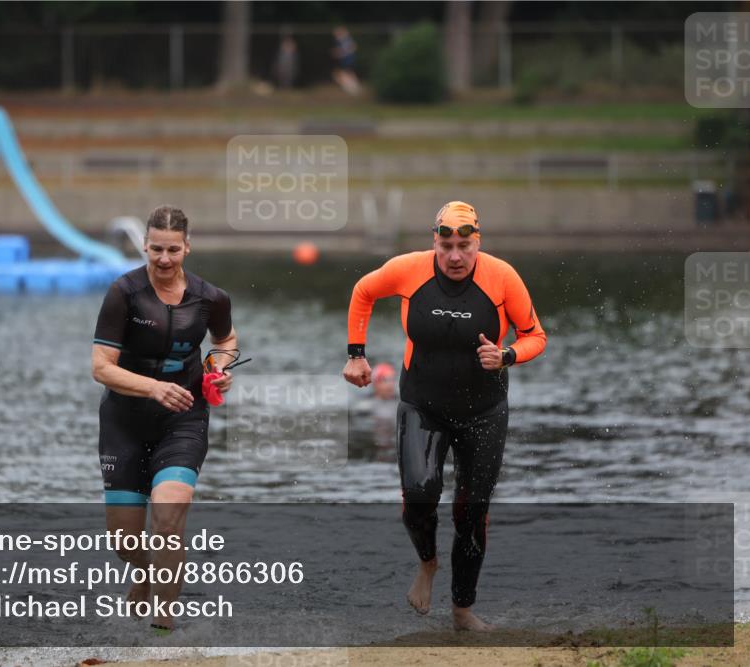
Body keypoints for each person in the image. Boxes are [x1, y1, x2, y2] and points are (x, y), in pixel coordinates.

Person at [342, 201, 547, 631]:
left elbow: (535, 336)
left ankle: (462, 609)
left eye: (465, 245)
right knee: (419, 496)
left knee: (471, 512)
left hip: (484, 411)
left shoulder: (503, 277)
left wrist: (507, 355)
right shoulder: (409, 269)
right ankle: (428, 562)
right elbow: (363, 291)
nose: (455, 256)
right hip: (422, 405)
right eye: (446, 244)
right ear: (433, 241)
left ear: (478, 243)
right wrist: (356, 355)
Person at [92, 205, 237, 632]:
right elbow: (100, 366)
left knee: (171, 513)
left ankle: (163, 625)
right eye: (156, 249)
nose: (164, 259)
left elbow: (226, 340)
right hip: (124, 421)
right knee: (123, 540)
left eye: (173, 250)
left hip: (184, 417)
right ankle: (143, 571)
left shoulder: (211, 298)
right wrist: (152, 387)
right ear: (145, 246)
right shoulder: (124, 292)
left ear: (187, 248)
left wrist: (217, 367)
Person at [330, 26, 360, 95]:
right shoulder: (341, 41)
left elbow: (352, 48)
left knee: (344, 73)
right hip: (344, 60)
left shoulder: (345, 40)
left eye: (337, 33)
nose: (335, 35)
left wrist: (339, 53)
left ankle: (352, 88)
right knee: (343, 73)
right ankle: (351, 87)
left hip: (347, 60)